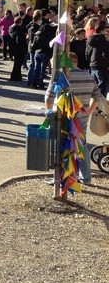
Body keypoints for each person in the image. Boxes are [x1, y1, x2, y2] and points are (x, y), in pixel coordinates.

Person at [45, 52, 102, 184]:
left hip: (63, 118)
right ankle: (86, 177)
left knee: (62, 147)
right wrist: (89, 111)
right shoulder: (88, 75)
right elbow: (97, 96)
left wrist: (49, 112)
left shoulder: (61, 76)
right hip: (81, 118)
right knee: (82, 146)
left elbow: (49, 98)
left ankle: (60, 177)